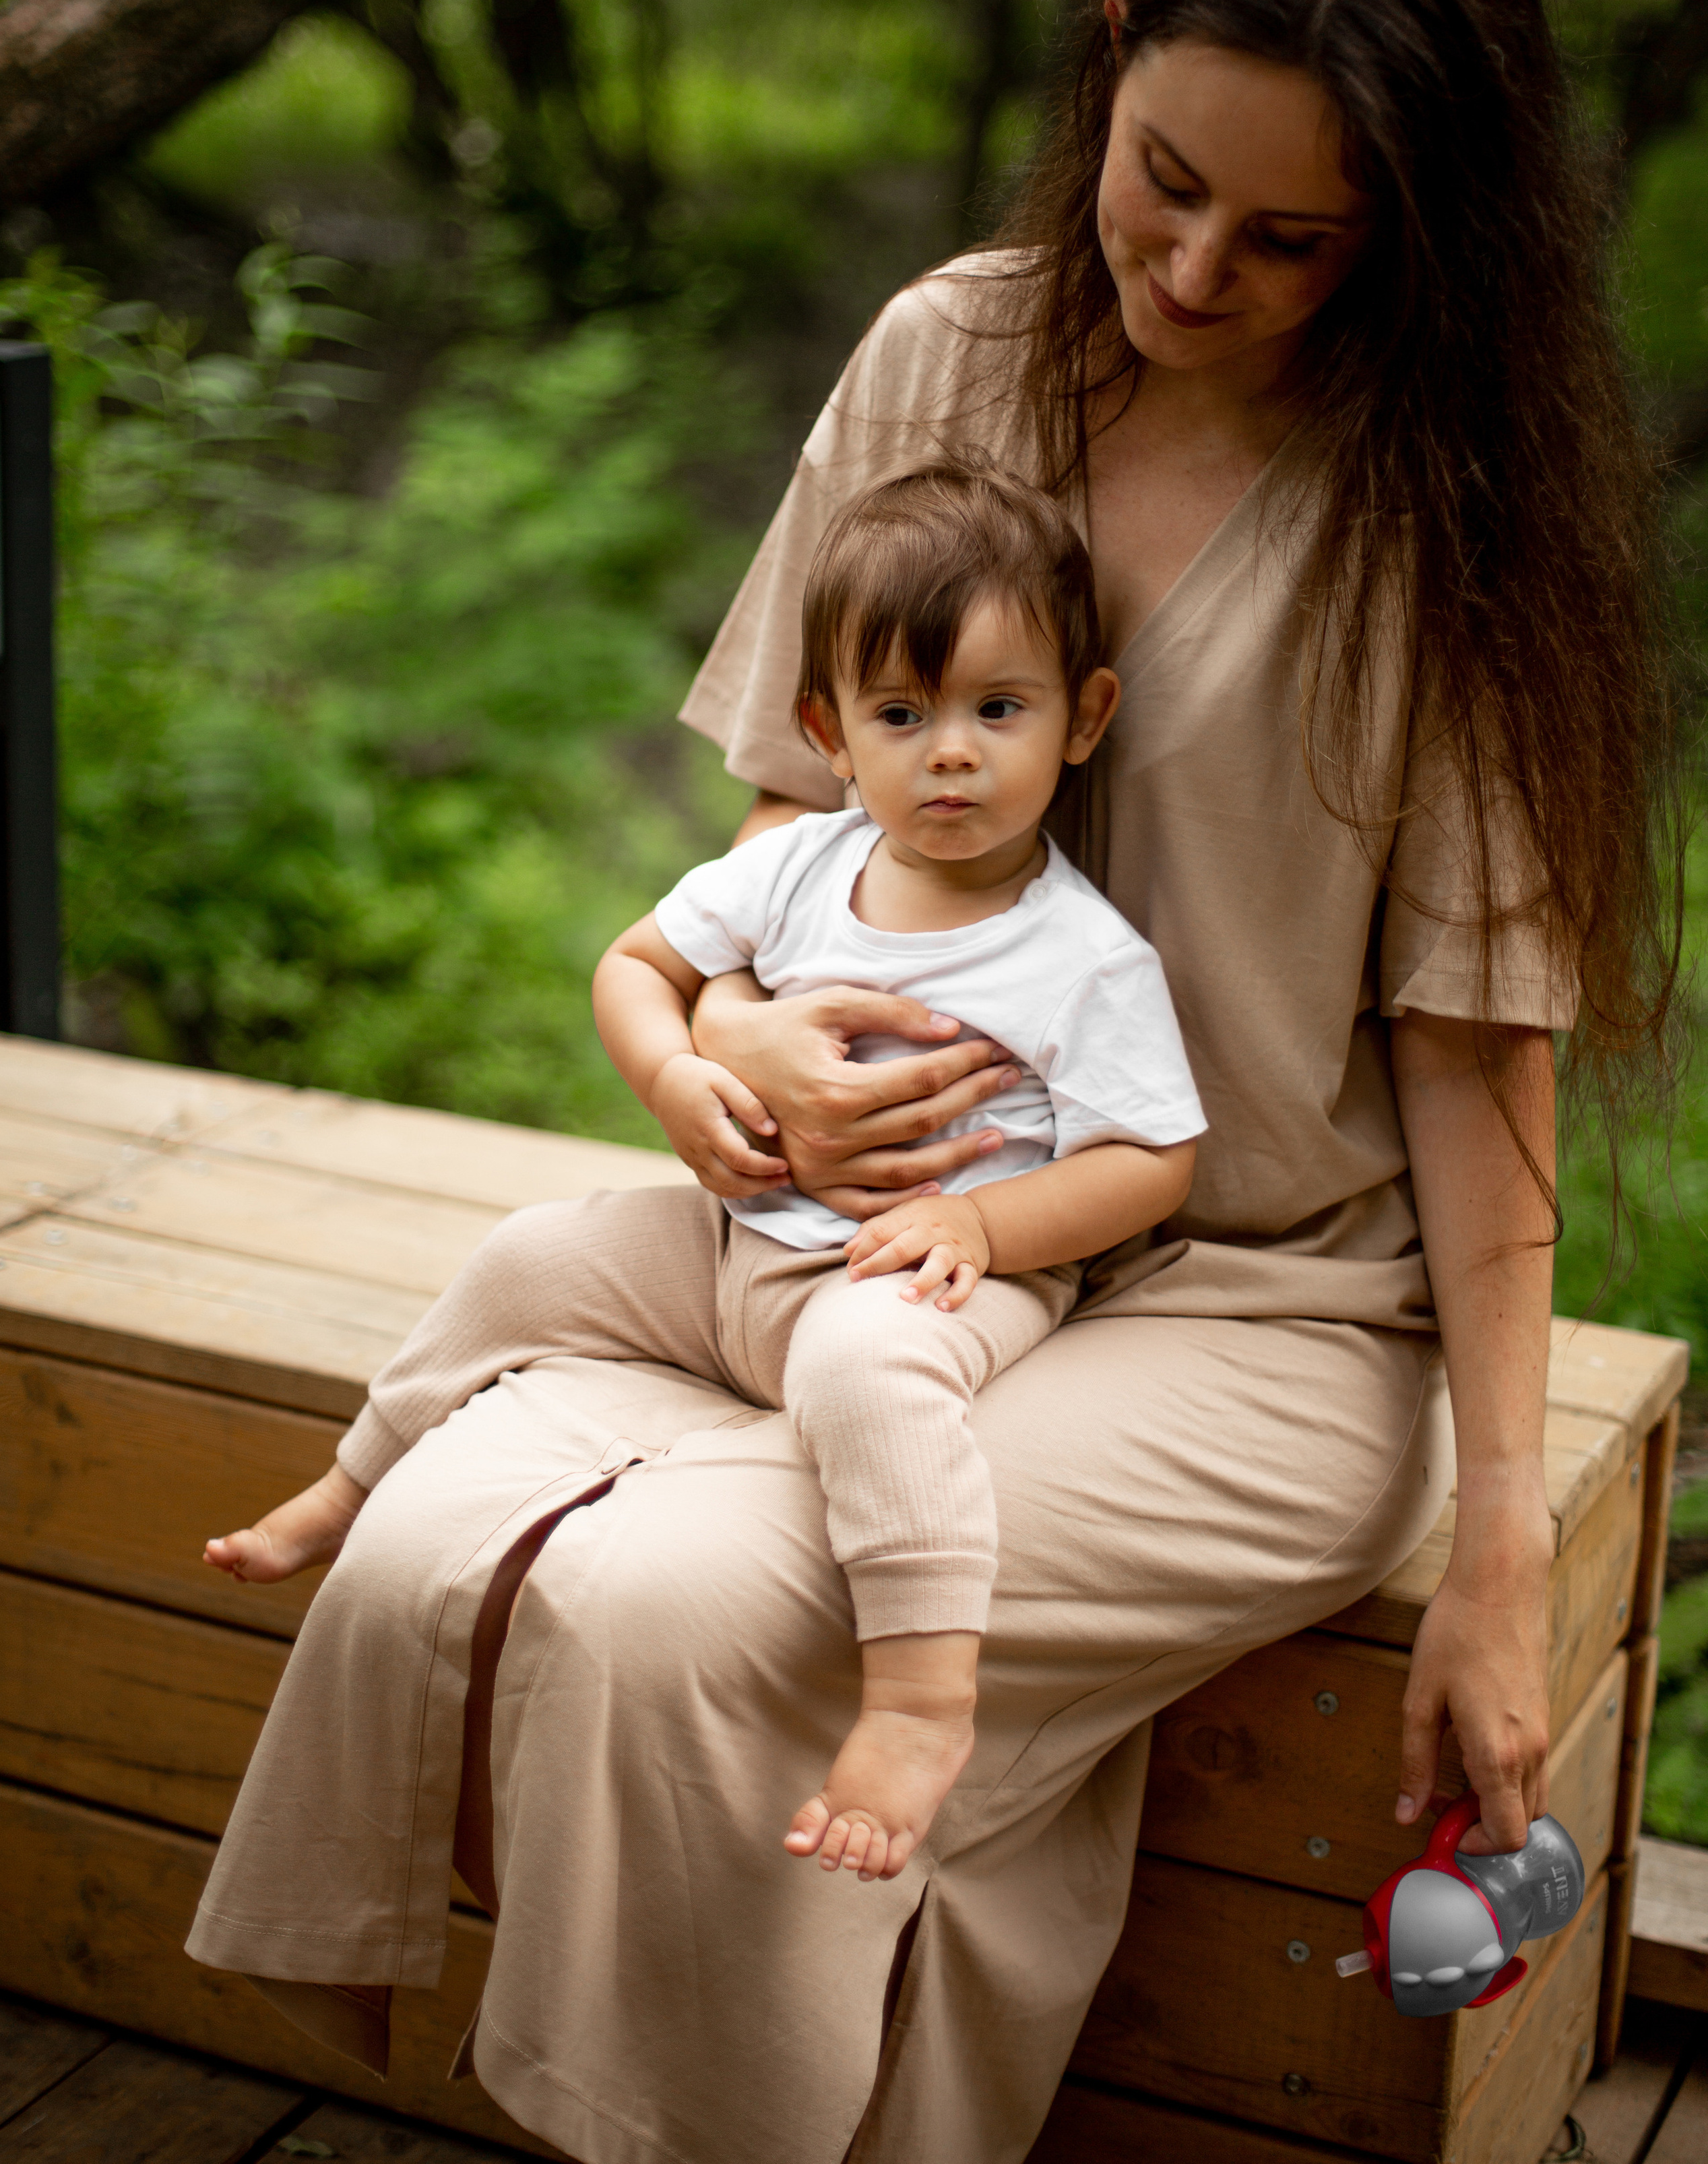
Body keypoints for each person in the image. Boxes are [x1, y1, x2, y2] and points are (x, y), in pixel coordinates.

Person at [185, 0, 1677, 2164]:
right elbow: (789, 845)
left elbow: (1482, 1081)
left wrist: (1503, 1554)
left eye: (1293, 238)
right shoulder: (943, 353)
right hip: (873, 1246)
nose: (1196, 269)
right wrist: (729, 1049)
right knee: (514, 1543)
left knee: (668, 1615)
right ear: (1107, 68)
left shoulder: (1441, 520)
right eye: (1164, 180)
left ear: (1421, 224)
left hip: (1256, 1319)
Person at [207, 463, 1204, 1884]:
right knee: (531, 1255)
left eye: (1000, 709)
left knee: (874, 1377)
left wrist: (980, 1220)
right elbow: (635, 965)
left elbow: (1153, 1158)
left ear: (1082, 716)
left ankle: (919, 1702)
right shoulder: (800, 864)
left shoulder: (1077, 954)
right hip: (736, 1248)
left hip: (914, 1277)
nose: (951, 756)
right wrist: (679, 1076)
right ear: (827, 732)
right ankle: (357, 1482)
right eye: (901, 716)